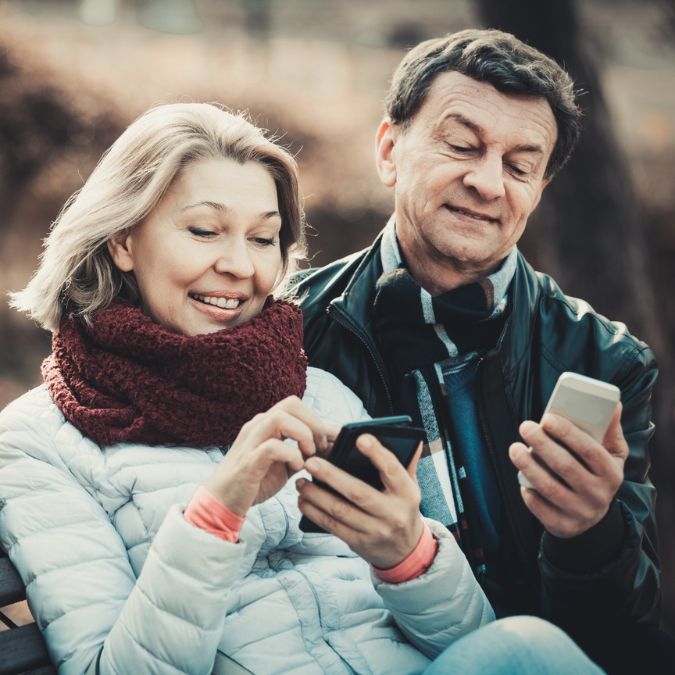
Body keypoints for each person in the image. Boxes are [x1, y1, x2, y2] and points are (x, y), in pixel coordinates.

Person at [0, 102, 604, 675]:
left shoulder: (321, 392)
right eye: (206, 230)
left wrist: (410, 555)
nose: (242, 266)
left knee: (523, 648)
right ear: (123, 241)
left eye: (263, 238)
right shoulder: (37, 442)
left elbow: (470, 641)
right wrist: (217, 513)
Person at [296, 29, 674, 674]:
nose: (488, 182)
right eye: (462, 145)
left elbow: (624, 640)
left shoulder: (605, 359)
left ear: (539, 190)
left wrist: (588, 536)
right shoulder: (286, 328)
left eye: (521, 165)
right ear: (389, 150)